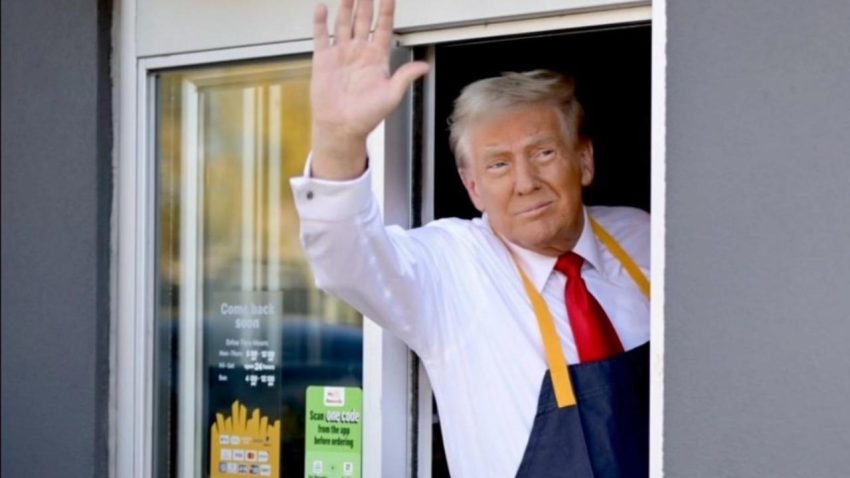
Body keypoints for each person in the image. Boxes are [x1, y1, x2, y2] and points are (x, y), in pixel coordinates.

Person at [290, 0, 650, 476]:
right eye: (499, 164)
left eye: (543, 153)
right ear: (472, 187)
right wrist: (338, 138)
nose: (525, 182)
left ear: (584, 161)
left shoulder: (643, 237)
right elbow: (346, 257)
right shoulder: (451, 266)